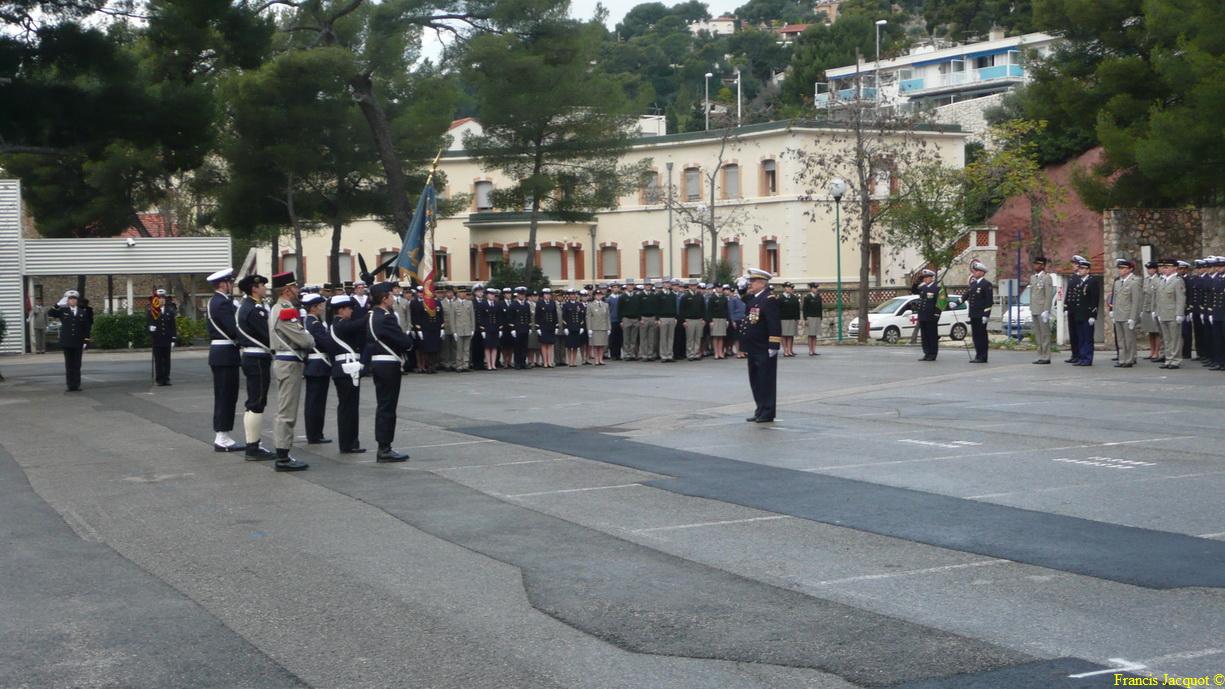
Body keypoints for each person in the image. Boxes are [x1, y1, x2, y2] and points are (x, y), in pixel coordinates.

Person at [263, 272, 313, 472]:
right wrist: (309, 337)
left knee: (286, 409)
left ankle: (284, 452)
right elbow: (305, 340)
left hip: (287, 362)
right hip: (288, 363)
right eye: (295, 287)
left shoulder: (282, 308)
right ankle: (282, 455)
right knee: (287, 411)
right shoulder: (285, 310)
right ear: (286, 290)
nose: (297, 290)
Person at [365, 282, 414, 462]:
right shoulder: (386, 318)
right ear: (384, 298)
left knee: (383, 405)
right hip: (388, 365)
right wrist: (408, 342)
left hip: (378, 364)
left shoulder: (372, 315)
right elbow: (404, 342)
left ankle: (383, 445)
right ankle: (384, 448)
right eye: (391, 296)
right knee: (387, 407)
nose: (393, 298)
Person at [234, 274, 276, 460]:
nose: (264, 288)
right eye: (262, 286)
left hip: (255, 357)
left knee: (255, 401)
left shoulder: (250, 306)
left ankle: (254, 443)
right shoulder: (254, 309)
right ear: (254, 288)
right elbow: (268, 334)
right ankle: (252, 447)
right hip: (257, 357)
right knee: (257, 402)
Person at [204, 269, 243, 451]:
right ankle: (222, 436)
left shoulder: (219, 301)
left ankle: (223, 434)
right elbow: (233, 328)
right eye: (229, 282)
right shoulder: (222, 303)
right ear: (222, 284)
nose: (231, 285)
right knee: (226, 395)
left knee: (225, 395)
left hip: (222, 353)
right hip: (225, 353)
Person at [327, 294, 367, 452]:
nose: (351, 311)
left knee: (350, 407)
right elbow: (360, 323)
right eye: (349, 308)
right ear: (341, 310)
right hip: (346, 369)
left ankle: (351, 441)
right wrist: (370, 311)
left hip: (345, 368)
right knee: (347, 408)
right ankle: (347, 443)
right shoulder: (341, 325)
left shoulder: (337, 324)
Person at [741, 268, 782, 423]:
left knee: (766, 380)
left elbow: (774, 324)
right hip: (753, 346)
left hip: (764, 347)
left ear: (761, 283)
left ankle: (768, 411)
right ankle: (760, 408)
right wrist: (740, 289)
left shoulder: (769, 299)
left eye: (752, 281)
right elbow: (745, 304)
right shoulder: (754, 298)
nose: (750, 284)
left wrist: (774, 344)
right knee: (756, 380)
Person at [300, 293, 333, 445]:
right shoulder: (314, 324)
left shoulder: (309, 322)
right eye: (319, 305)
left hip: (314, 365)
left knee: (315, 401)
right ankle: (314, 434)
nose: (321, 308)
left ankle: (315, 433)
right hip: (318, 365)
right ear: (313, 307)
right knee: (316, 403)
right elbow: (326, 343)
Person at [47, 290, 91, 392]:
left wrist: (86, 341)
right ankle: (70, 385)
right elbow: (51, 313)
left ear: (77, 300)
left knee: (77, 364)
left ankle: (77, 384)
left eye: (74, 299)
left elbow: (86, 327)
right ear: (67, 301)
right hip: (67, 341)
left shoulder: (82, 312)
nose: (72, 301)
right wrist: (58, 304)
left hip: (78, 342)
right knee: (69, 364)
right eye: (70, 299)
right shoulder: (63, 311)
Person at [1154, 258, 1186, 370]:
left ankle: (1175, 360)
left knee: (1175, 338)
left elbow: (1180, 299)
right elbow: (1159, 299)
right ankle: (1168, 359)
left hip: (1173, 314)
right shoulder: (1163, 280)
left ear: (1174, 268)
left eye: (1167, 267)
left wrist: (1179, 314)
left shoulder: (1177, 281)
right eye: (1164, 267)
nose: (1165, 269)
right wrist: (1157, 312)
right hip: (1163, 313)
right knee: (1166, 339)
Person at [1110, 259, 1143, 368]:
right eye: (1120, 268)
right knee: (1120, 340)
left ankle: (1130, 359)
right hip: (1119, 314)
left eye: (1123, 268)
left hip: (1128, 315)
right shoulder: (1118, 282)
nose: (1121, 270)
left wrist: (1133, 317)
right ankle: (1122, 359)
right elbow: (1114, 299)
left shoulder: (1134, 282)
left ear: (1130, 269)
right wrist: (1113, 313)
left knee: (1129, 339)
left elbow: (1135, 301)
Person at [1067, 257, 1099, 366]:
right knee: (1080, 337)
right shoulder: (1080, 282)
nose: (1079, 270)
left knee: (1087, 338)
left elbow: (1094, 299)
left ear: (1087, 270)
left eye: (1082, 269)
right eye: (1079, 268)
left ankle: (1088, 358)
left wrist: (1093, 315)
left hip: (1087, 315)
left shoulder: (1092, 281)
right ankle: (1081, 357)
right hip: (1079, 315)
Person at [964, 261, 994, 364]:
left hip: (981, 315)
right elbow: (967, 295)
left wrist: (986, 315)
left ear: (982, 272)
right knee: (975, 336)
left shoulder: (986, 284)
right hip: (973, 314)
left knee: (982, 336)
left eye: (977, 271)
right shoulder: (973, 284)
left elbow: (989, 301)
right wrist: (958, 302)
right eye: (974, 271)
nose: (975, 273)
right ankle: (978, 355)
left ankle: (983, 356)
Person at [147, 289, 177, 386]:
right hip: (157, 339)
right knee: (159, 360)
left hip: (167, 339)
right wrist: (150, 328)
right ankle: (159, 379)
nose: (161, 300)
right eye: (159, 298)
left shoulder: (170, 311)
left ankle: (166, 378)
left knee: (167, 360)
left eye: (163, 298)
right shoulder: (152, 311)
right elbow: (148, 323)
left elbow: (173, 326)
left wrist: (173, 338)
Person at [1029, 257, 1055, 364]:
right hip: (1035, 308)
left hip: (1042, 309)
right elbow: (1032, 294)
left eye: (1038, 264)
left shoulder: (1047, 278)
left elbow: (1048, 295)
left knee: (1045, 334)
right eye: (1034, 264)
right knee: (1038, 334)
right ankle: (1040, 355)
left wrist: (1046, 310)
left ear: (1043, 266)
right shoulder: (1033, 278)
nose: (1035, 266)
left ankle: (1046, 356)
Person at [911, 270, 941, 361]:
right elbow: (913, 290)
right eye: (924, 278)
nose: (925, 279)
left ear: (931, 278)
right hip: (923, 315)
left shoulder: (936, 289)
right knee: (924, 336)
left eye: (927, 277)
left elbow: (940, 303)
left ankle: (933, 353)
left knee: (932, 335)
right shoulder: (923, 288)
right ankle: (926, 353)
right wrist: (917, 281)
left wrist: (937, 314)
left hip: (931, 315)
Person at [450, 284, 475, 372]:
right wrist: (454, 332)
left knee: (466, 349)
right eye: (461, 292)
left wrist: (473, 329)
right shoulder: (454, 304)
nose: (463, 294)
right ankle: (459, 365)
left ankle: (465, 365)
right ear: (457, 294)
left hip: (468, 329)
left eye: (464, 292)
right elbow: (452, 319)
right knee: (459, 349)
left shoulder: (469, 303)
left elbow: (472, 317)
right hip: (458, 329)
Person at [1141, 261, 1163, 361]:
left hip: (1155, 308)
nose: (1149, 271)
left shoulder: (1158, 280)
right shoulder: (1146, 280)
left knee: (1156, 331)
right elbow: (1144, 295)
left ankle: (1156, 352)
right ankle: (1152, 351)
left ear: (1155, 269)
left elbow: (1158, 296)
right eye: (1148, 269)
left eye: (1151, 269)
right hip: (1146, 308)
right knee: (1150, 331)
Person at [656, 279, 679, 362]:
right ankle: (663, 355)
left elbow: (675, 307)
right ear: (663, 284)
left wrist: (675, 317)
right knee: (663, 337)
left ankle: (669, 355)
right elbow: (657, 307)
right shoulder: (659, 294)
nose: (667, 284)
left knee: (670, 337)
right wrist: (658, 319)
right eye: (666, 283)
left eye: (668, 283)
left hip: (671, 318)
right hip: (663, 318)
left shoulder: (672, 294)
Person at [586, 287, 610, 365]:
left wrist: (609, 327)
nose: (599, 296)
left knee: (602, 344)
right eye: (597, 295)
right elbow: (588, 317)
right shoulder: (590, 305)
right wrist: (589, 328)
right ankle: (596, 359)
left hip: (603, 327)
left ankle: (601, 359)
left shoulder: (605, 305)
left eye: (600, 295)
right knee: (596, 345)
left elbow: (607, 317)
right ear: (594, 296)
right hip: (595, 327)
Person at [509, 286, 532, 369]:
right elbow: (511, 318)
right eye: (520, 294)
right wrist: (512, 329)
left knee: (524, 346)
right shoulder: (513, 305)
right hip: (517, 329)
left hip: (525, 328)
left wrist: (529, 327)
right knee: (517, 347)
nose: (522, 296)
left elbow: (529, 317)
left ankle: (523, 362)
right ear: (517, 295)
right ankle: (517, 362)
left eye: (523, 295)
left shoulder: (526, 304)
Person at [562, 289, 584, 367]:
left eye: (574, 294)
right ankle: (569, 361)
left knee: (575, 346)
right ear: (569, 296)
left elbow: (582, 317)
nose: (573, 296)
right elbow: (564, 317)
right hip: (569, 328)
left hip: (577, 327)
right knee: (569, 346)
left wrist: (581, 326)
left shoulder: (579, 305)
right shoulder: (566, 305)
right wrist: (565, 327)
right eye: (571, 294)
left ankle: (574, 361)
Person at [777, 282, 800, 357]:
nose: (789, 289)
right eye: (787, 287)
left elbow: (797, 309)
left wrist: (797, 318)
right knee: (783, 335)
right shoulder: (780, 298)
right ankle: (785, 350)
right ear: (784, 288)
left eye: (790, 287)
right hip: (783, 319)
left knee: (790, 335)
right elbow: (777, 309)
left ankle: (789, 350)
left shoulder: (794, 298)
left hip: (792, 319)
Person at [802, 282, 823, 356]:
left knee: (815, 335)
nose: (816, 289)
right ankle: (810, 350)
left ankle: (814, 350)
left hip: (817, 317)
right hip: (810, 317)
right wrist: (805, 319)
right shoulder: (807, 297)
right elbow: (805, 309)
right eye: (814, 288)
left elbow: (820, 308)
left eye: (816, 288)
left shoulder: (818, 297)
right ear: (811, 289)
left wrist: (821, 317)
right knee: (810, 334)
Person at [709, 285, 730, 359]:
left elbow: (726, 309)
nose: (719, 289)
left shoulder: (724, 298)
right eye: (718, 287)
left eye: (720, 288)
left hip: (723, 318)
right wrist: (711, 320)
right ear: (715, 288)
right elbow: (710, 310)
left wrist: (727, 320)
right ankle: (716, 353)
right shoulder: (712, 298)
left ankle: (720, 352)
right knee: (715, 336)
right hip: (715, 319)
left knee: (721, 336)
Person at [639, 282, 659, 361]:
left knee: (651, 338)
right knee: (643, 338)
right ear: (644, 286)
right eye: (646, 285)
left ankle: (650, 354)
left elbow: (657, 307)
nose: (648, 286)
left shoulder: (653, 295)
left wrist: (656, 318)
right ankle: (644, 355)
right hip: (644, 318)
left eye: (649, 285)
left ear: (651, 286)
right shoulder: (640, 295)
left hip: (652, 318)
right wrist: (640, 318)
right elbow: (638, 307)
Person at [621, 283, 640, 361]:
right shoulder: (623, 297)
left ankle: (632, 354)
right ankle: (627, 354)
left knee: (633, 338)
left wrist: (638, 318)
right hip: (626, 319)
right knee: (626, 338)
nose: (630, 287)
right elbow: (620, 309)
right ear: (626, 287)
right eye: (629, 285)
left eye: (632, 285)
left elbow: (639, 308)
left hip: (635, 319)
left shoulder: (636, 296)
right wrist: (621, 320)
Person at [727, 285, 746, 358]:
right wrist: (732, 321)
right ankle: (738, 351)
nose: (733, 293)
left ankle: (742, 351)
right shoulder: (733, 299)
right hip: (736, 319)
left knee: (742, 337)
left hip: (742, 319)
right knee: (737, 337)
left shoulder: (741, 298)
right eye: (732, 292)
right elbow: (731, 311)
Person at [606, 282, 624, 360]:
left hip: (620, 320)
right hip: (612, 320)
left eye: (617, 287)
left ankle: (618, 354)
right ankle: (613, 354)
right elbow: (607, 311)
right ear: (611, 289)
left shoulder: (621, 298)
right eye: (614, 287)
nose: (616, 289)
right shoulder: (609, 299)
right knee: (613, 338)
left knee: (619, 338)